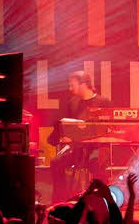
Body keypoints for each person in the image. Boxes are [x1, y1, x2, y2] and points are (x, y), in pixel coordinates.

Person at [48, 71, 112, 201]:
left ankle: (104, 199)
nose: (70, 88)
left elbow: (109, 129)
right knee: (56, 162)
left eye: (73, 85)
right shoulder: (73, 103)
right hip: (77, 147)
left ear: (83, 84)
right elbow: (69, 126)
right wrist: (66, 136)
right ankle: (61, 200)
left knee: (96, 163)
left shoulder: (103, 102)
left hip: (96, 147)